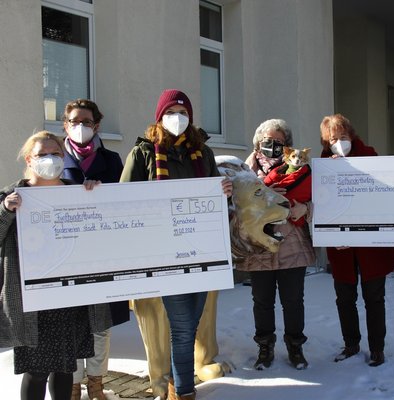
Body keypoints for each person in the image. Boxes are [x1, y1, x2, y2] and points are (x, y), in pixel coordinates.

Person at [120, 89, 232, 400]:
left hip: (200, 251)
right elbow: (124, 200)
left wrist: (224, 190)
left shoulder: (202, 153)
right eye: (171, 112)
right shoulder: (143, 153)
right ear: (160, 116)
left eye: (183, 113)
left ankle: (174, 381)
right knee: (182, 328)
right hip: (163, 255)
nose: (178, 119)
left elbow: (216, 200)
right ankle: (182, 391)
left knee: (189, 325)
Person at [0, 131, 108, 400]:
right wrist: (4, 210)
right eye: (42, 154)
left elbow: (99, 230)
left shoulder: (78, 191)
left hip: (70, 297)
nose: (50, 159)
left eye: (56, 153)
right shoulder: (11, 195)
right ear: (29, 159)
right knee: (37, 371)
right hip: (33, 301)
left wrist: (96, 195)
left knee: (65, 368)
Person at [60, 99, 130, 400]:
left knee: (101, 325)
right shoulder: (53, 157)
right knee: (73, 325)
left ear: (96, 125)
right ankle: (74, 386)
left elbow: (127, 203)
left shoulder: (112, 160)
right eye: (75, 121)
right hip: (67, 257)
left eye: (87, 122)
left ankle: (97, 384)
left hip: (104, 256)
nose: (81, 127)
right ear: (65, 124)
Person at [319, 114, 394, 367]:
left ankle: (377, 348)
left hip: (371, 246)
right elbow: (322, 203)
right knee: (345, 298)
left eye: (342, 137)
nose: (338, 143)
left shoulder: (371, 158)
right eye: (332, 139)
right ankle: (351, 343)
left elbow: (383, 198)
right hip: (341, 247)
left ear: (352, 136)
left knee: (374, 298)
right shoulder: (323, 165)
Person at [244, 118, 315, 370]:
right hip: (259, 246)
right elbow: (236, 206)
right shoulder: (246, 171)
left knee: (293, 300)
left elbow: (319, 201)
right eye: (268, 141)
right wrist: (264, 195)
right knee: (262, 301)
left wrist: (303, 208)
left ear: (288, 146)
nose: (273, 146)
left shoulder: (300, 169)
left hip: (291, 245)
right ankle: (265, 347)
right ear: (258, 143)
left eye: (280, 142)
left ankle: (296, 347)